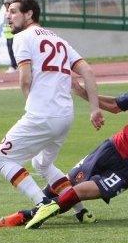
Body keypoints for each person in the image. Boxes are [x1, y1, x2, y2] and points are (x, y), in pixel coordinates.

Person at [0, 0, 104, 227]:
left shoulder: (22, 37)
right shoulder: (58, 39)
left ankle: (44, 203)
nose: (9, 17)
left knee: (2, 159)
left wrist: (31, 102)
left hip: (42, 115)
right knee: (42, 164)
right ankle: (81, 211)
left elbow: (25, 78)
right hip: (65, 117)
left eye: (13, 12)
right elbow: (88, 71)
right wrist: (94, 109)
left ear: (29, 14)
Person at [23, 87, 128, 229]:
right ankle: (32, 212)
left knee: (82, 190)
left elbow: (114, 106)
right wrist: (81, 91)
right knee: (69, 183)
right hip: (114, 146)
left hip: (118, 154)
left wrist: (80, 90)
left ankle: (31, 213)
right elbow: (115, 105)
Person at [3, 0, 17, 73]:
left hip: (13, 34)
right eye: (5, 4)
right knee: (10, 51)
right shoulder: (5, 12)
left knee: (14, 50)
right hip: (8, 35)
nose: (6, 6)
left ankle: (14, 65)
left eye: (7, 4)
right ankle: (14, 65)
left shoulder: (12, 12)